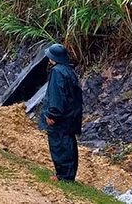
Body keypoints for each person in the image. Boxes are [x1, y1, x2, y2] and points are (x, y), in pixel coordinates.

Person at [39, 43, 83, 182]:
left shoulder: (57, 72)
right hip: (71, 115)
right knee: (69, 144)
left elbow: (57, 95)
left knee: (59, 145)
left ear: (53, 58)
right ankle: (69, 175)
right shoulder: (69, 70)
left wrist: (52, 114)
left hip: (61, 117)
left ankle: (63, 176)